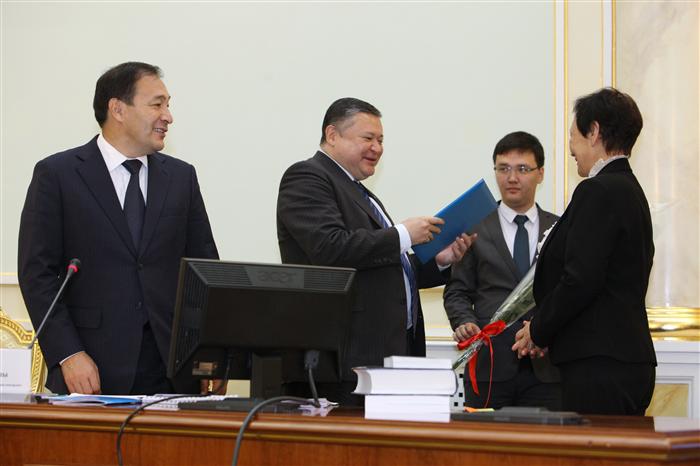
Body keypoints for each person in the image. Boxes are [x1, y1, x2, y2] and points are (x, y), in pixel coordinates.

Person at [18, 62, 219, 395]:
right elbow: (37, 274)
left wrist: (212, 354)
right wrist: (67, 353)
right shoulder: (58, 175)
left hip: (172, 370)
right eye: (157, 104)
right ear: (118, 109)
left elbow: (204, 271)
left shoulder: (181, 177)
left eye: (168, 105)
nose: (168, 116)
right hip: (89, 369)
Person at [276, 97, 474, 405]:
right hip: (344, 361)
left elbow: (382, 268)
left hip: (386, 356)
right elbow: (330, 248)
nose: (377, 148)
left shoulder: (361, 193)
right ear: (332, 135)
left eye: (381, 140)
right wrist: (404, 234)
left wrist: (438, 261)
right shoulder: (307, 177)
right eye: (368, 138)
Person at [512, 88, 656, 415]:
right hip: (622, 358)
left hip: (599, 363)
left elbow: (581, 279)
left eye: (572, 136)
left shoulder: (598, 190)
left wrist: (537, 329)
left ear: (594, 132)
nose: (570, 149)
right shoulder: (629, 189)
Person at [444, 131, 561, 410]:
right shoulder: (473, 228)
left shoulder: (560, 229)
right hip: (490, 367)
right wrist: (464, 322)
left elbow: (568, 292)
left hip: (546, 368)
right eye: (503, 169)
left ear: (540, 173)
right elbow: (457, 291)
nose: (512, 178)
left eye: (522, 169)